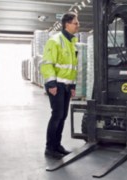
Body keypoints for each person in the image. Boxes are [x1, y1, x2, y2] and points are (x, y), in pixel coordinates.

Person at [40, 12, 80, 159]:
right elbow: (47, 63)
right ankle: (49, 148)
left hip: (67, 86)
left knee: (62, 117)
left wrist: (73, 85)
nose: (78, 25)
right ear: (67, 24)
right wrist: (51, 83)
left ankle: (57, 145)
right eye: (75, 23)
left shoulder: (72, 42)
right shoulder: (55, 40)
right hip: (56, 84)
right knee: (57, 116)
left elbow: (72, 66)